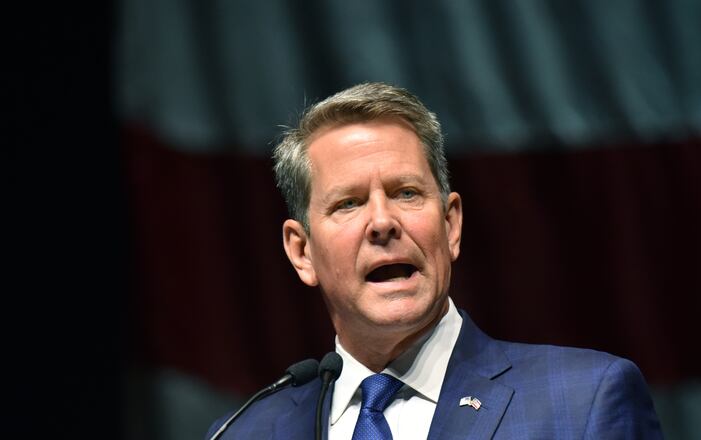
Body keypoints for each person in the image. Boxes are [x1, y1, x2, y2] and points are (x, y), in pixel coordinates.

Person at [207, 83, 663, 439]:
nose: (382, 222)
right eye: (348, 203)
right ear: (301, 252)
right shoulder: (245, 433)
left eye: (407, 193)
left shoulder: (583, 401)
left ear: (450, 226)